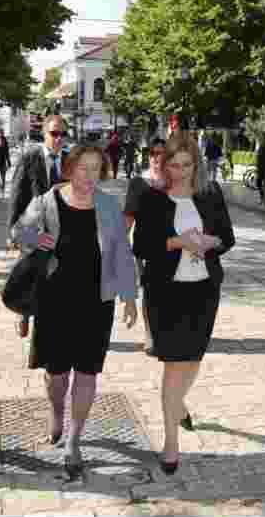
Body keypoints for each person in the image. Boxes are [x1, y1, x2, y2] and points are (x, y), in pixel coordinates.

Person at [12, 145, 137, 479]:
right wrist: (36, 238)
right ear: (69, 169)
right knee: (56, 375)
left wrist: (129, 296)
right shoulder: (46, 202)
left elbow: (122, 251)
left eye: (96, 169)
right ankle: (56, 413)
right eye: (83, 168)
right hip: (54, 300)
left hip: (96, 302)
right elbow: (16, 233)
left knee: (87, 372)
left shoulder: (109, 205)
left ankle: (74, 438)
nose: (89, 175)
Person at [133, 133, 235, 474]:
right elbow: (143, 246)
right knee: (175, 364)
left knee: (193, 360)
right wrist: (177, 242)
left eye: (187, 165)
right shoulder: (152, 198)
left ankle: (176, 405)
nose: (180, 172)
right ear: (164, 165)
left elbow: (227, 237)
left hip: (204, 290)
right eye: (173, 166)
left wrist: (209, 242)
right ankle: (171, 442)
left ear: (197, 164)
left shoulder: (210, 193)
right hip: (166, 292)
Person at [7, 114, 69, 338]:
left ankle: (51, 319)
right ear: (44, 134)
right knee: (29, 272)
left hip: (61, 229)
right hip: (33, 226)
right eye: (54, 134)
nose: (59, 139)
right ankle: (23, 312)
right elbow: (17, 194)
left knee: (55, 275)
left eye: (63, 134)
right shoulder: (30, 157)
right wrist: (13, 231)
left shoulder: (71, 159)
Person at [122, 136, 167, 356]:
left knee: (169, 291)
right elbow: (128, 218)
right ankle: (151, 335)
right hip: (146, 248)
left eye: (162, 153)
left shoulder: (176, 183)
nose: (157, 158)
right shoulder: (139, 183)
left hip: (174, 247)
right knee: (150, 290)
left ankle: (166, 331)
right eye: (153, 153)